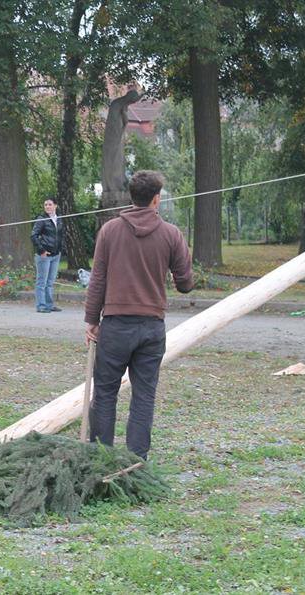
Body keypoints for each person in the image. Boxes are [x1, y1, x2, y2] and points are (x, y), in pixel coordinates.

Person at [84, 170, 193, 460]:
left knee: (105, 393)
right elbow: (186, 285)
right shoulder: (171, 234)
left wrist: (92, 321)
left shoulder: (109, 231)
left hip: (116, 327)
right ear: (156, 199)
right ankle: (136, 463)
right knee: (144, 396)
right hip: (151, 328)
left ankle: (101, 461)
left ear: (132, 197)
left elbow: (98, 280)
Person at [30, 198, 64, 313]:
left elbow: (59, 236)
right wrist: (41, 250)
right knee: (42, 282)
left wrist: (60, 250)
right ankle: (41, 306)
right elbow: (34, 236)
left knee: (50, 282)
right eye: (45, 205)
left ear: (55, 206)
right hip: (44, 255)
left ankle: (49, 305)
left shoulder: (58, 219)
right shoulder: (41, 219)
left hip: (56, 254)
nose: (47, 207)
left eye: (50, 204)